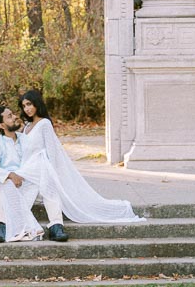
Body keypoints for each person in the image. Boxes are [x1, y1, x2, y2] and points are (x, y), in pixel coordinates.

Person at [15, 89, 143, 230]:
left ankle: (54, 225)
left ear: (37, 104)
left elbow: (52, 152)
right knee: (20, 191)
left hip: (42, 169)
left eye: (29, 104)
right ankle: (21, 225)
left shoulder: (44, 124)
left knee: (47, 190)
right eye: (24, 106)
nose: (27, 109)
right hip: (28, 170)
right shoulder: (26, 127)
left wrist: (54, 175)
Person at [0, 105, 65, 243]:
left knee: (48, 180)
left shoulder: (26, 139)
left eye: (13, 114)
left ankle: (56, 226)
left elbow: (38, 158)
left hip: (29, 186)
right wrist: (10, 175)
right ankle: (1, 226)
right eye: (9, 116)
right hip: (9, 189)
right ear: (2, 125)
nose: (15, 117)